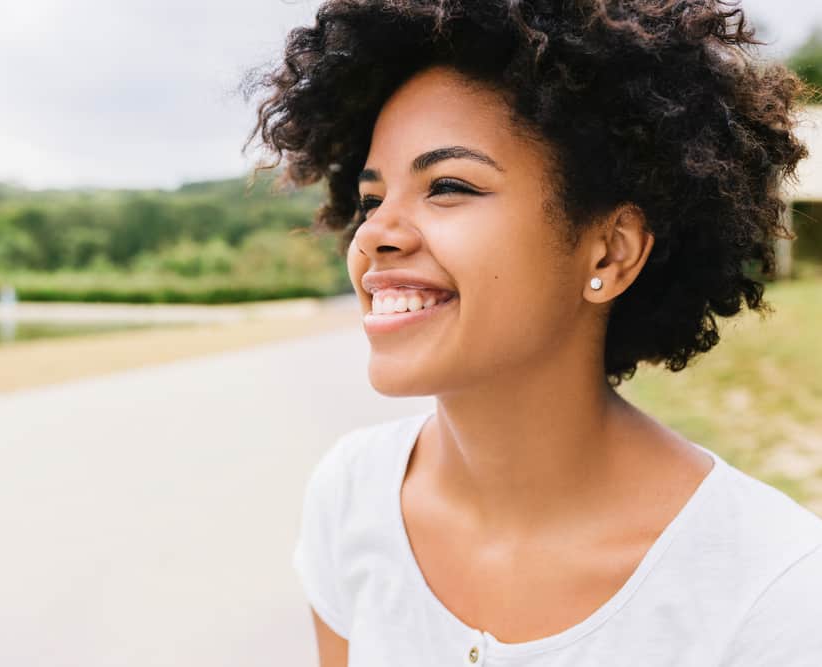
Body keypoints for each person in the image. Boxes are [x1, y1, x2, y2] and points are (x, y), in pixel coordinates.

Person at [245, 1, 822, 665]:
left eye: (448, 185)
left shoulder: (774, 592)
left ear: (608, 252)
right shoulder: (350, 497)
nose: (373, 233)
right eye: (372, 198)